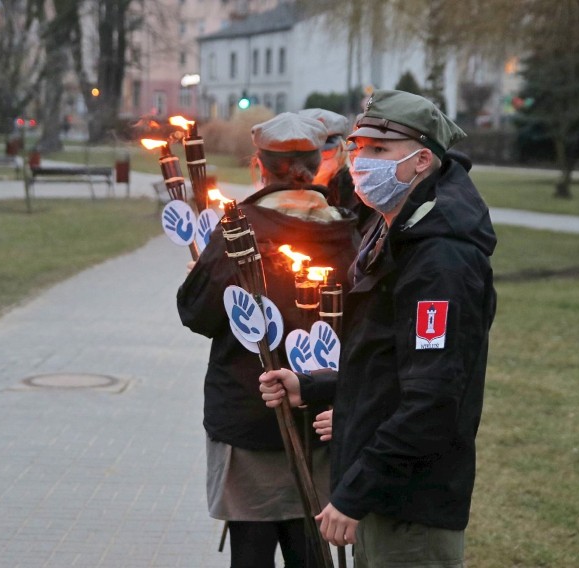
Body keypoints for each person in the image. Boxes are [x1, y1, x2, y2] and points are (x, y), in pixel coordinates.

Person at [259, 89, 497, 567]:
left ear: (421, 160)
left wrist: (356, 492)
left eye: (380, 150)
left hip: (410, 505)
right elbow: (389, 365)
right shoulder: (398, 230)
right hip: (385, 495)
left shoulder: (439, 260)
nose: (362, 161)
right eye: (360, 148)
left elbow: (431, 401)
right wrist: (313, 385)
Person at [176, 112, 360, 568]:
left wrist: (204, 279)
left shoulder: (241, 228)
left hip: (248, 413)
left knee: (252, 555)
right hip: (322, 417)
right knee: (310, 550)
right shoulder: (350, 231)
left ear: (260, 164)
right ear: (318, 165)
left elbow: (196, 314)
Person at [298, 108, 377, 235]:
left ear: (340, 150)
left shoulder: (358, 191)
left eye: (326, 153)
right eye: (311, 154)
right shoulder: (288, 189)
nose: (319, 161)